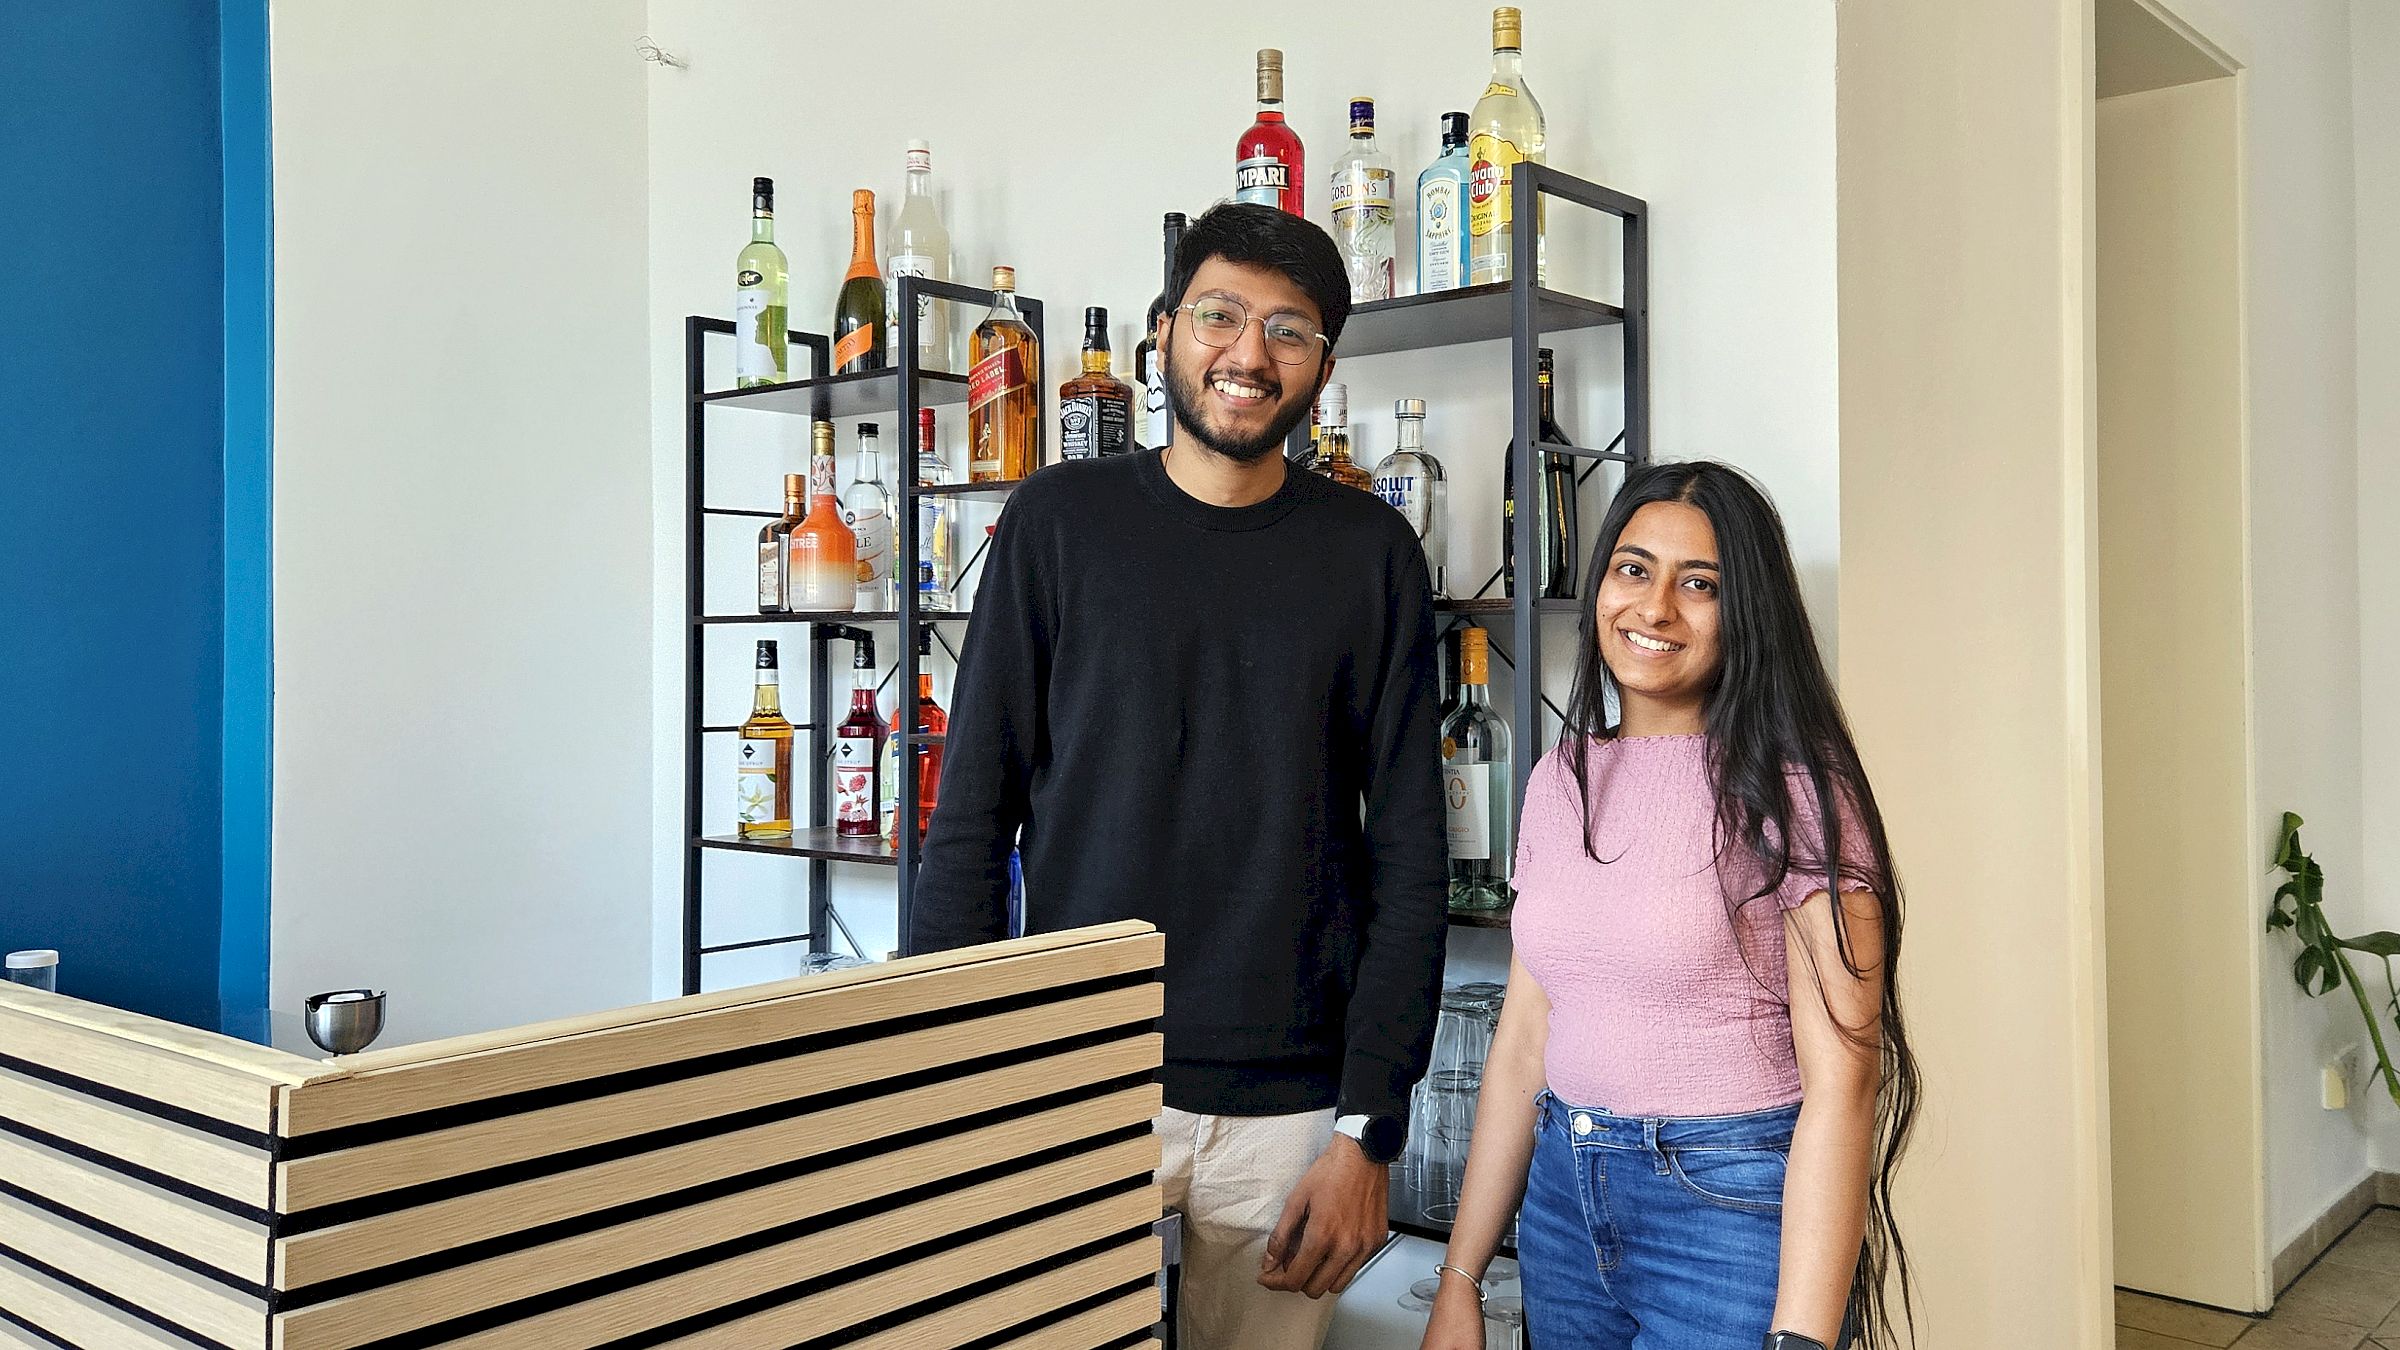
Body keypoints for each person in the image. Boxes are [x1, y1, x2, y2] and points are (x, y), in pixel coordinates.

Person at [910, 202, 1448, 1349]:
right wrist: (950, 1087)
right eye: (1219, 316)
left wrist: (1369, 1131)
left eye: (1288, 331)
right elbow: (969, 824)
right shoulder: (1055, 524)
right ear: (1163, 332)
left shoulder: (1373, 557)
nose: (1248, 355)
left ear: (1324, 365)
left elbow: (1409, 857)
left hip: (1293, 1110)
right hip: (1071, 1074)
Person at [1419, 462, 1920, 1350]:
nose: (1654, 609)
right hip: (1561, 1211)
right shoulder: (1557, 781)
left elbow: (1846, 1081)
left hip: (1728, 1211)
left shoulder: (1798, 791)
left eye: (1701, 585)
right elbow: (1524, 1042)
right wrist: (1460, 1279)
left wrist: (1801, 1341)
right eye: (1632, 569)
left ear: (1748, 614)